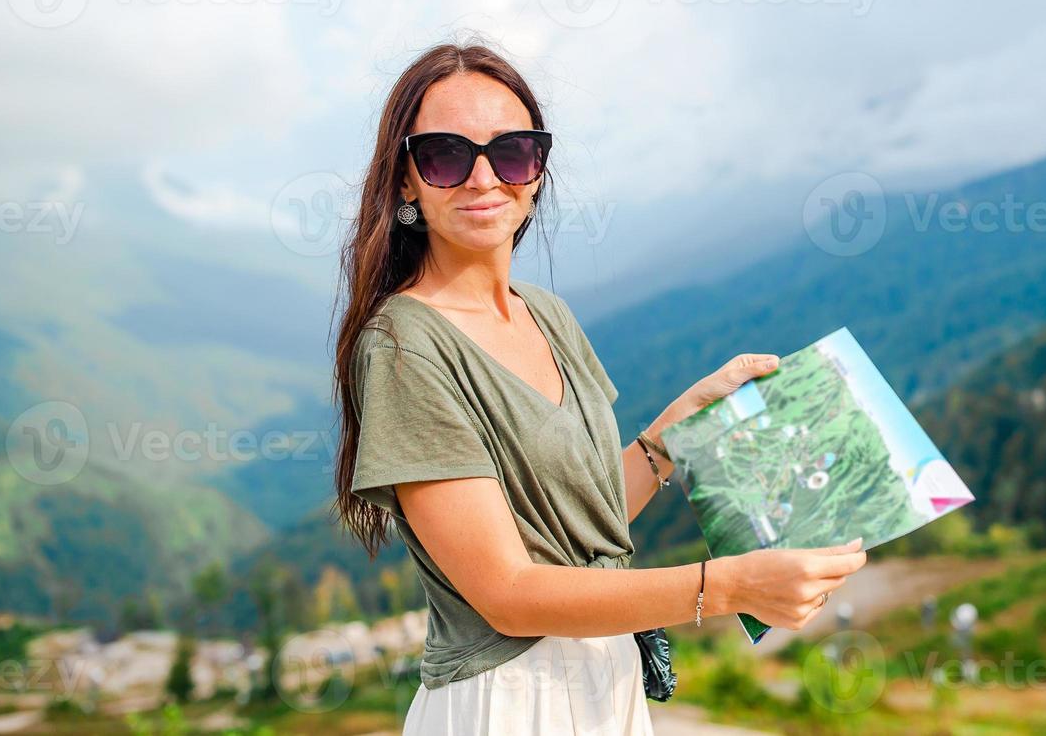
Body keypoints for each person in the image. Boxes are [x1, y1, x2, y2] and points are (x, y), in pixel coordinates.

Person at [331, 40, 867, 734]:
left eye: (513, 151)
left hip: (606, 686)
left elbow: (576, 527)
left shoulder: (546, 315)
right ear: (405, 180)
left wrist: (671, 436)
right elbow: (509, 594)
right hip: (507, 703)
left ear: (538, 168)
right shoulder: (405, 346)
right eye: (445, 155)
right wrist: (731, 586)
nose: (484, 177)